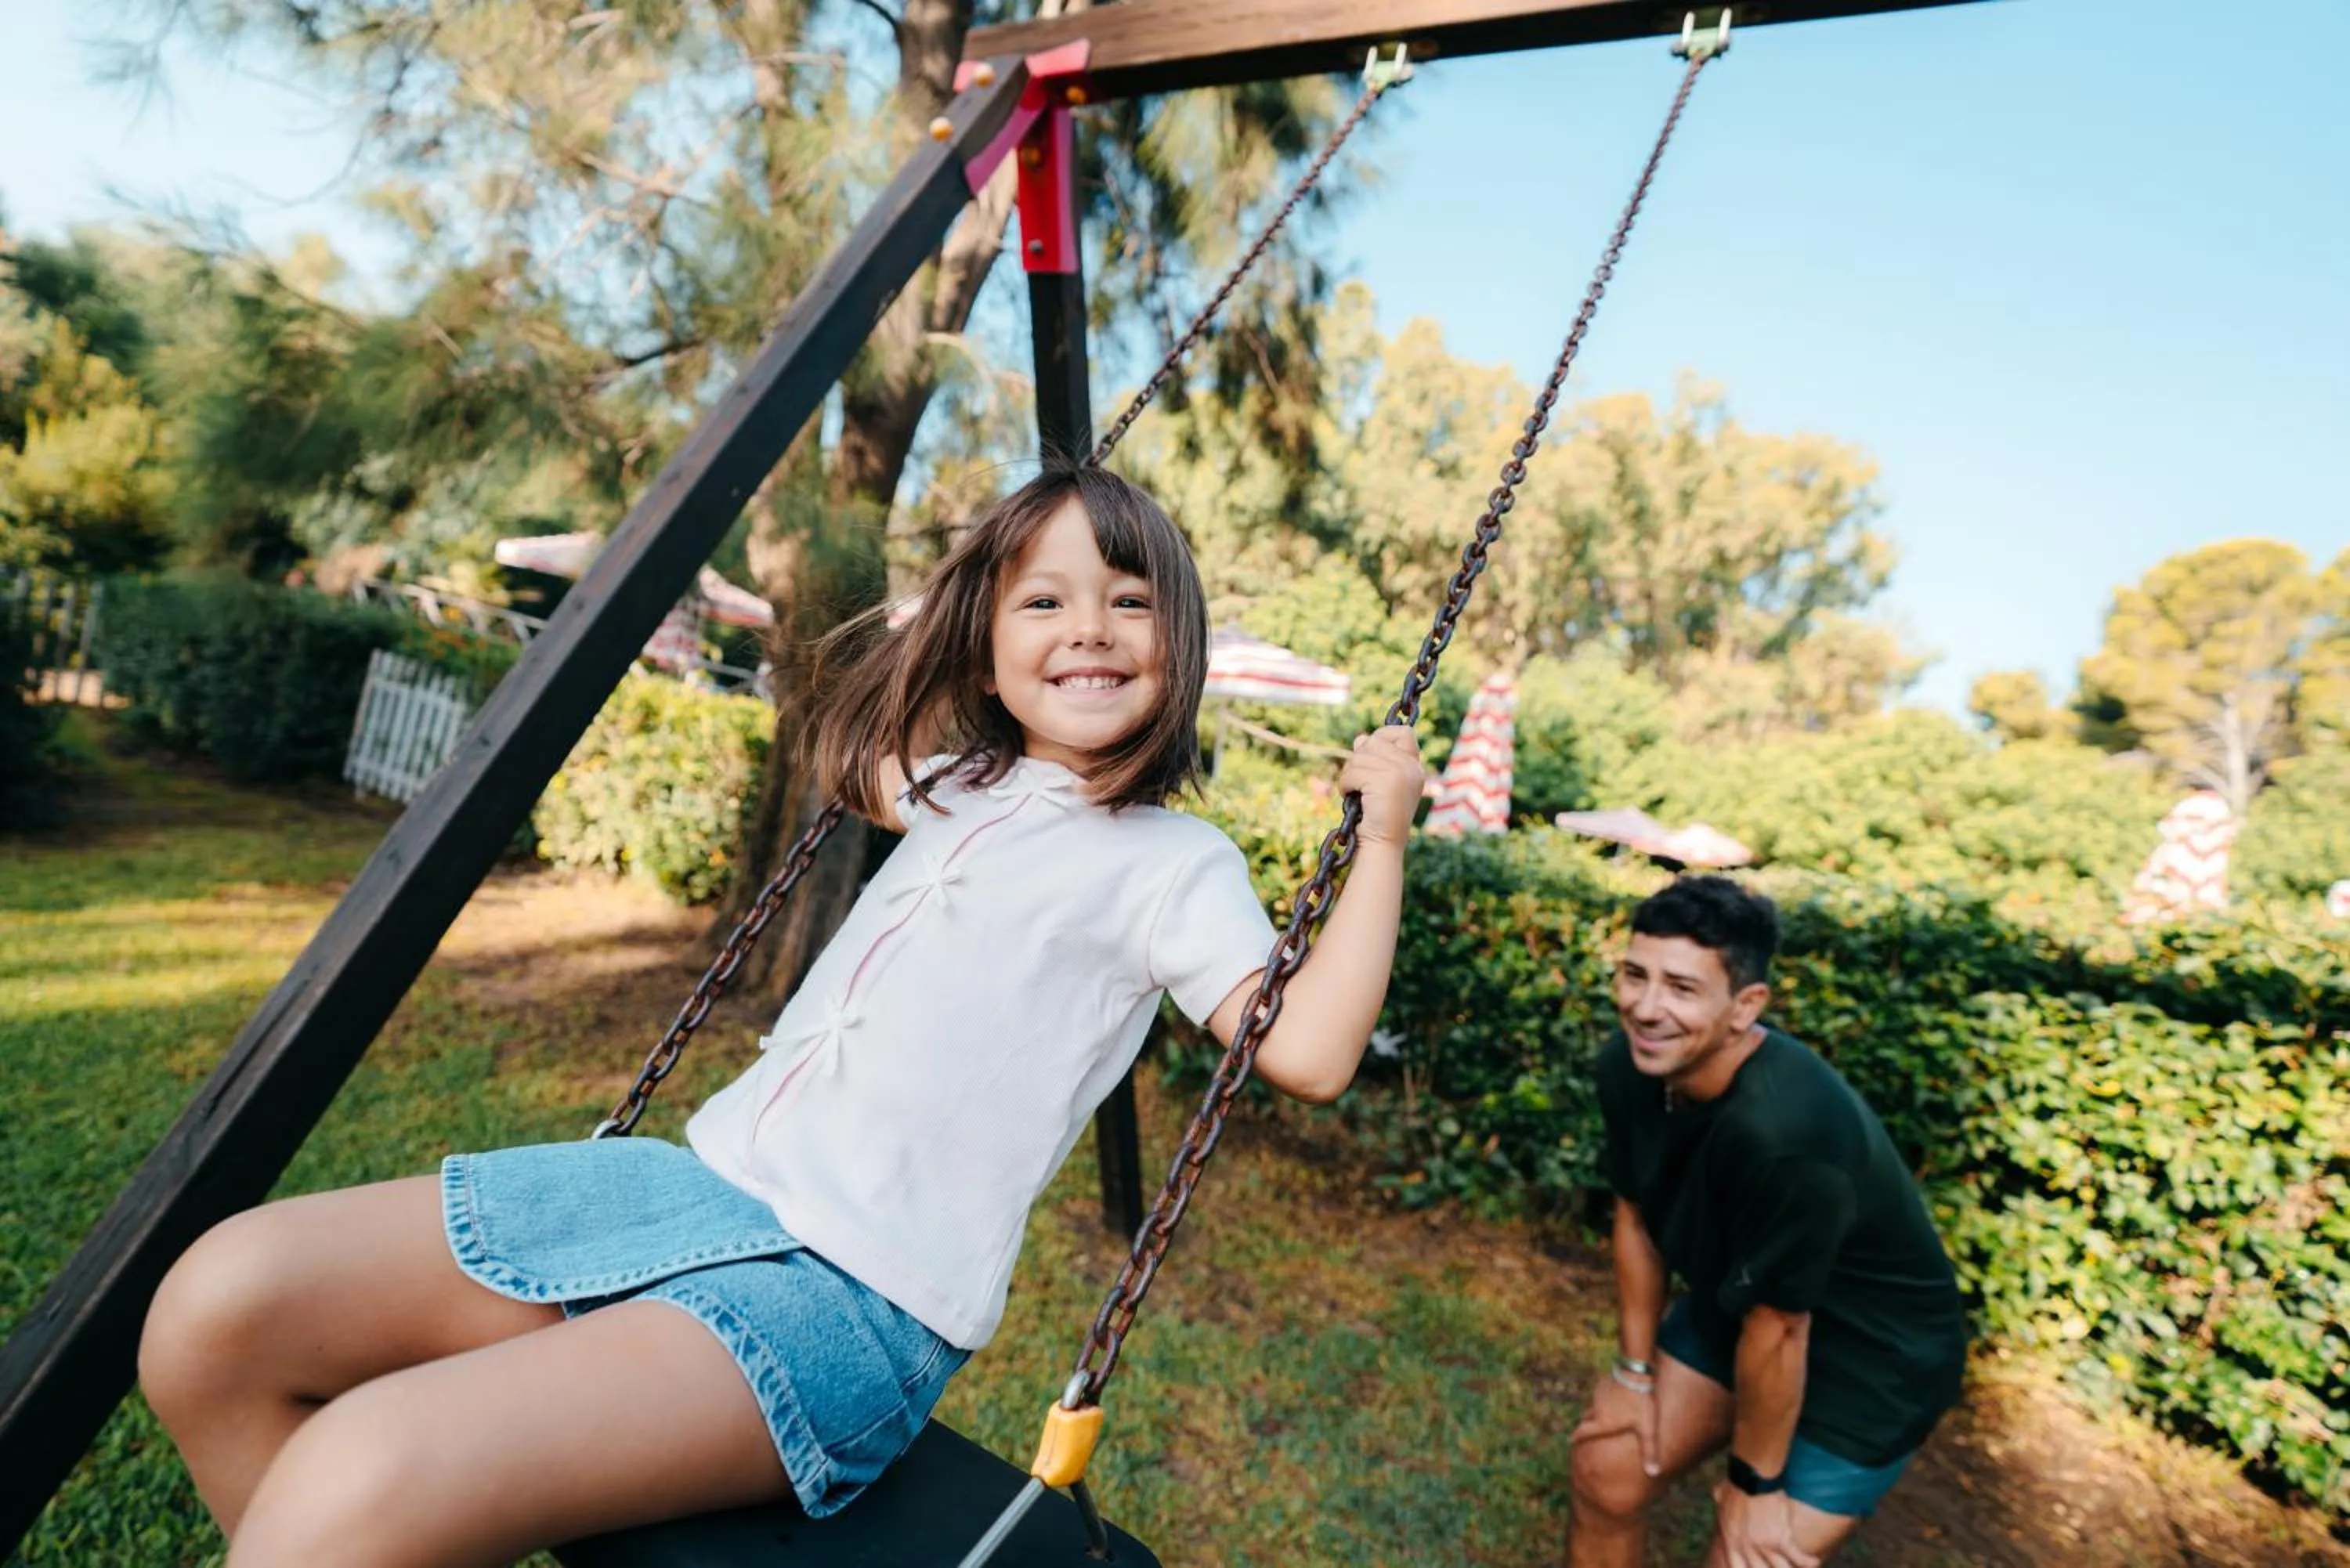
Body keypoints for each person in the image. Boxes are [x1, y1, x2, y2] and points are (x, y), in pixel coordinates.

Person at [138, 465, 1427, 1568]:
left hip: (846, 1296)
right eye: (1043, 598)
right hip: (688, 1194)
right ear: (986, 636)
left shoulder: (1170, 863)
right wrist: (948, 623)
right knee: (217, 1310)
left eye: (1129, 599)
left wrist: (1382, 837)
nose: (1088, 627)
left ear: (1179, 638)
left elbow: (1306, 1051)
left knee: (363, 1464)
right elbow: (844, 743)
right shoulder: (959, 787)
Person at [1567, 876, 1969, 1568]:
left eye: (1683, 988)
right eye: (1635, 975)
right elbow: (1634, 1212)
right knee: (1608, 1468)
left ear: (1746, 1006)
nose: (1646, 1008)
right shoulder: (1630, 1069)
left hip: (1873, 1362)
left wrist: (1754, 1484)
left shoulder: (1789, 1133)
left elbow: (1783, 1329)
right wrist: (1634, 1375)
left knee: (1744, 1562)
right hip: (1747, 1309)